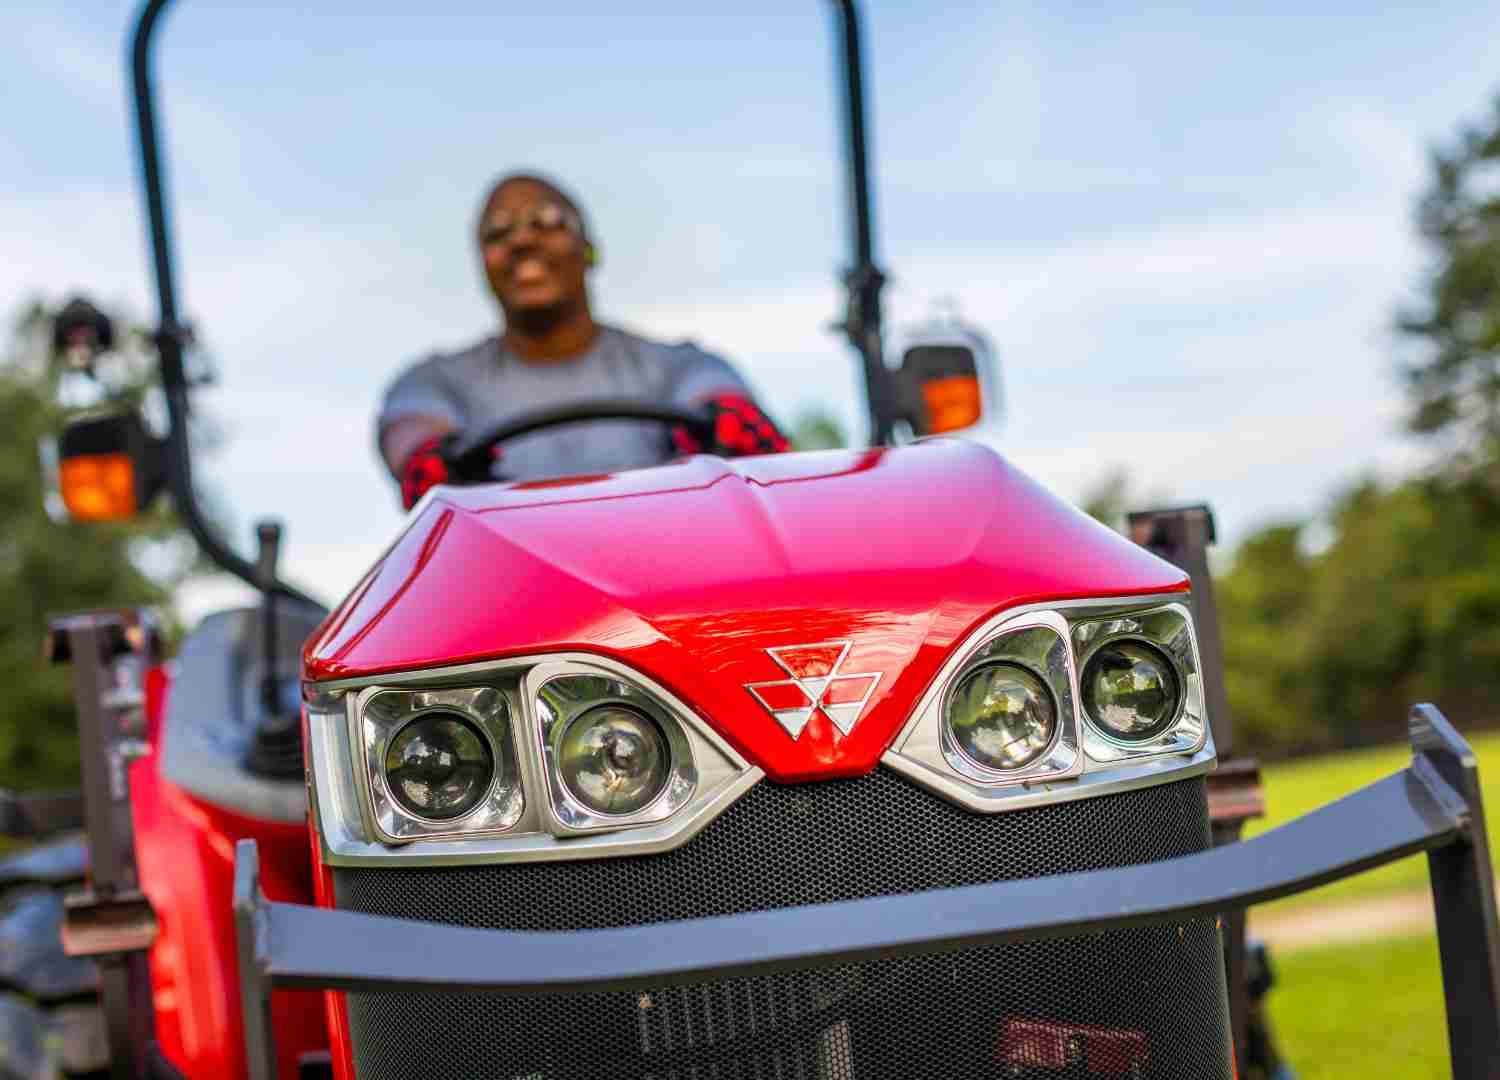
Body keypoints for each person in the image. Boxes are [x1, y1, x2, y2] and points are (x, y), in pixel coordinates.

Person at [378, 172, 789, 509]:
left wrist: (727, 418)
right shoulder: (435, 380)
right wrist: (425, 454)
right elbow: (410, 428)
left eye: (547, 221)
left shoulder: (676, 364)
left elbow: (717, 394)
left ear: (590, 251)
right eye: (497, 233)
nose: (522, 241)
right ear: (483, 265)